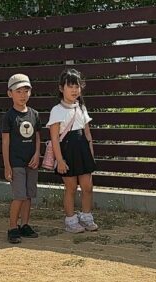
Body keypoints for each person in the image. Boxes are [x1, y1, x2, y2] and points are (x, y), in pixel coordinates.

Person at [48, 68, 98, 234]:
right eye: (70, 86)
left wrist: (91, 154)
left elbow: (88, 134)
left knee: (87, 186)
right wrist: (60, 160)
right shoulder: (56, 110)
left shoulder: (82, 108)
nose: (74, 90)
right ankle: (70, 220)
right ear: (61, 88)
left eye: (77, 86)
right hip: (67, 153)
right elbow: (54, 138)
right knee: (70, 188)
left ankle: (86, 216)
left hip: (83, 151)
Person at [0, 73, 41, 245]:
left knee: (28, 195)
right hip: (16, 162)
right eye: (18, 91)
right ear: (10, 93)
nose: (23, 95)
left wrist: (37, 154)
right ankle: (12, 227)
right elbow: (5, 142)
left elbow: (37, 137)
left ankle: (25, 224)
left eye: (26, 91)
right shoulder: (9, 116)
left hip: (31, 162)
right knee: (19, 196)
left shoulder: (34, 114)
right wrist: (7, 166)